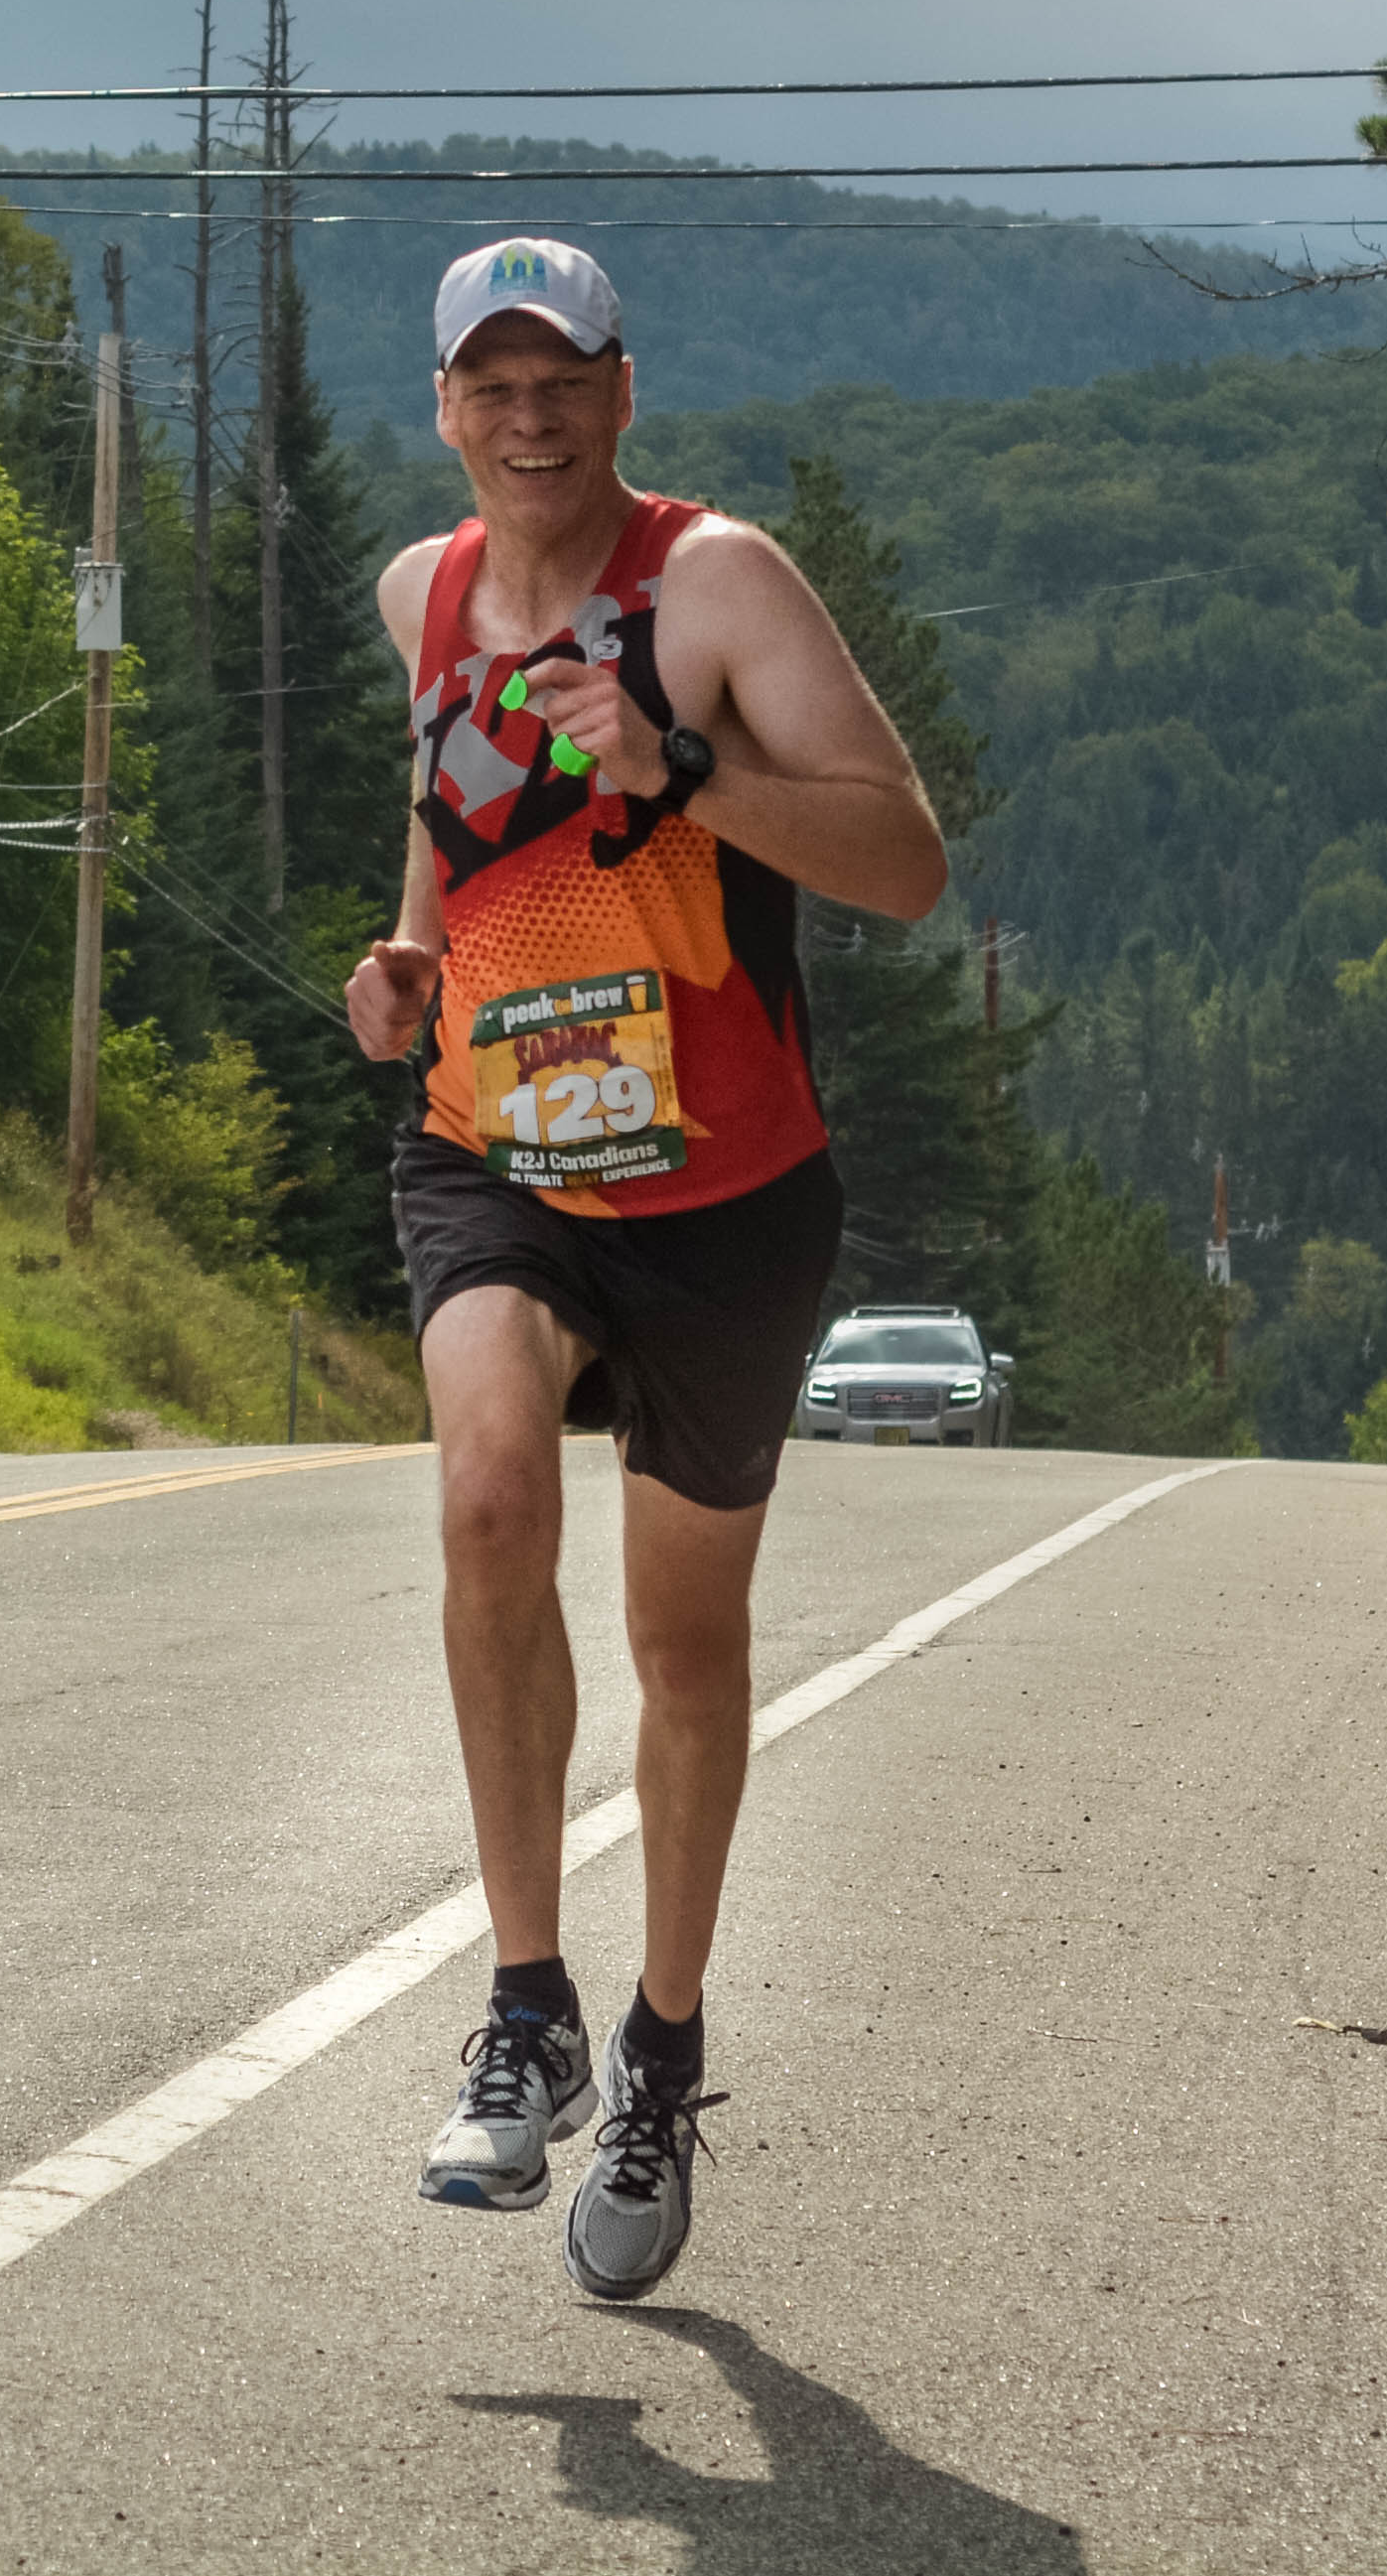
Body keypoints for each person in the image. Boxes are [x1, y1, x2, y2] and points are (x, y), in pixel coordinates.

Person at [344, 237, 946, 2302]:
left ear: (620, 391)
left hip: (723, 1193)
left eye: (561, 381)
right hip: (493, 1152)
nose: (526, 418)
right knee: (485, 1493)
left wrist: (680, 769)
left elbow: (903, 857)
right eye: (489, 385)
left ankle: (661, 2052)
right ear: (445, 407)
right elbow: (448, 835)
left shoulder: (713, 586)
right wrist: (406, 958)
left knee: (684, 1645)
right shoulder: (423, 594)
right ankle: (525, 2002)